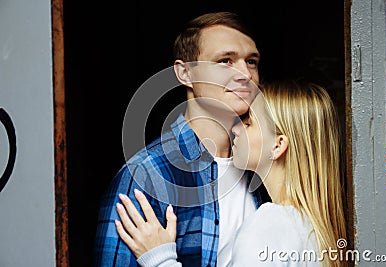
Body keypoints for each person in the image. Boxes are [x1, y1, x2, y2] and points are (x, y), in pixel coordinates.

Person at [93, 11, 269, 266]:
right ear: (185, 73)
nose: (245, 74)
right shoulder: (146, 175)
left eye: (251, 61)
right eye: (225, 61)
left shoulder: (262, 167)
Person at [114, 80, 347, 267]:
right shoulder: (315, 227)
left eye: (248, 123)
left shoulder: (270, 224)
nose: (235, 127)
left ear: (278, 145)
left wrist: (160, 259)